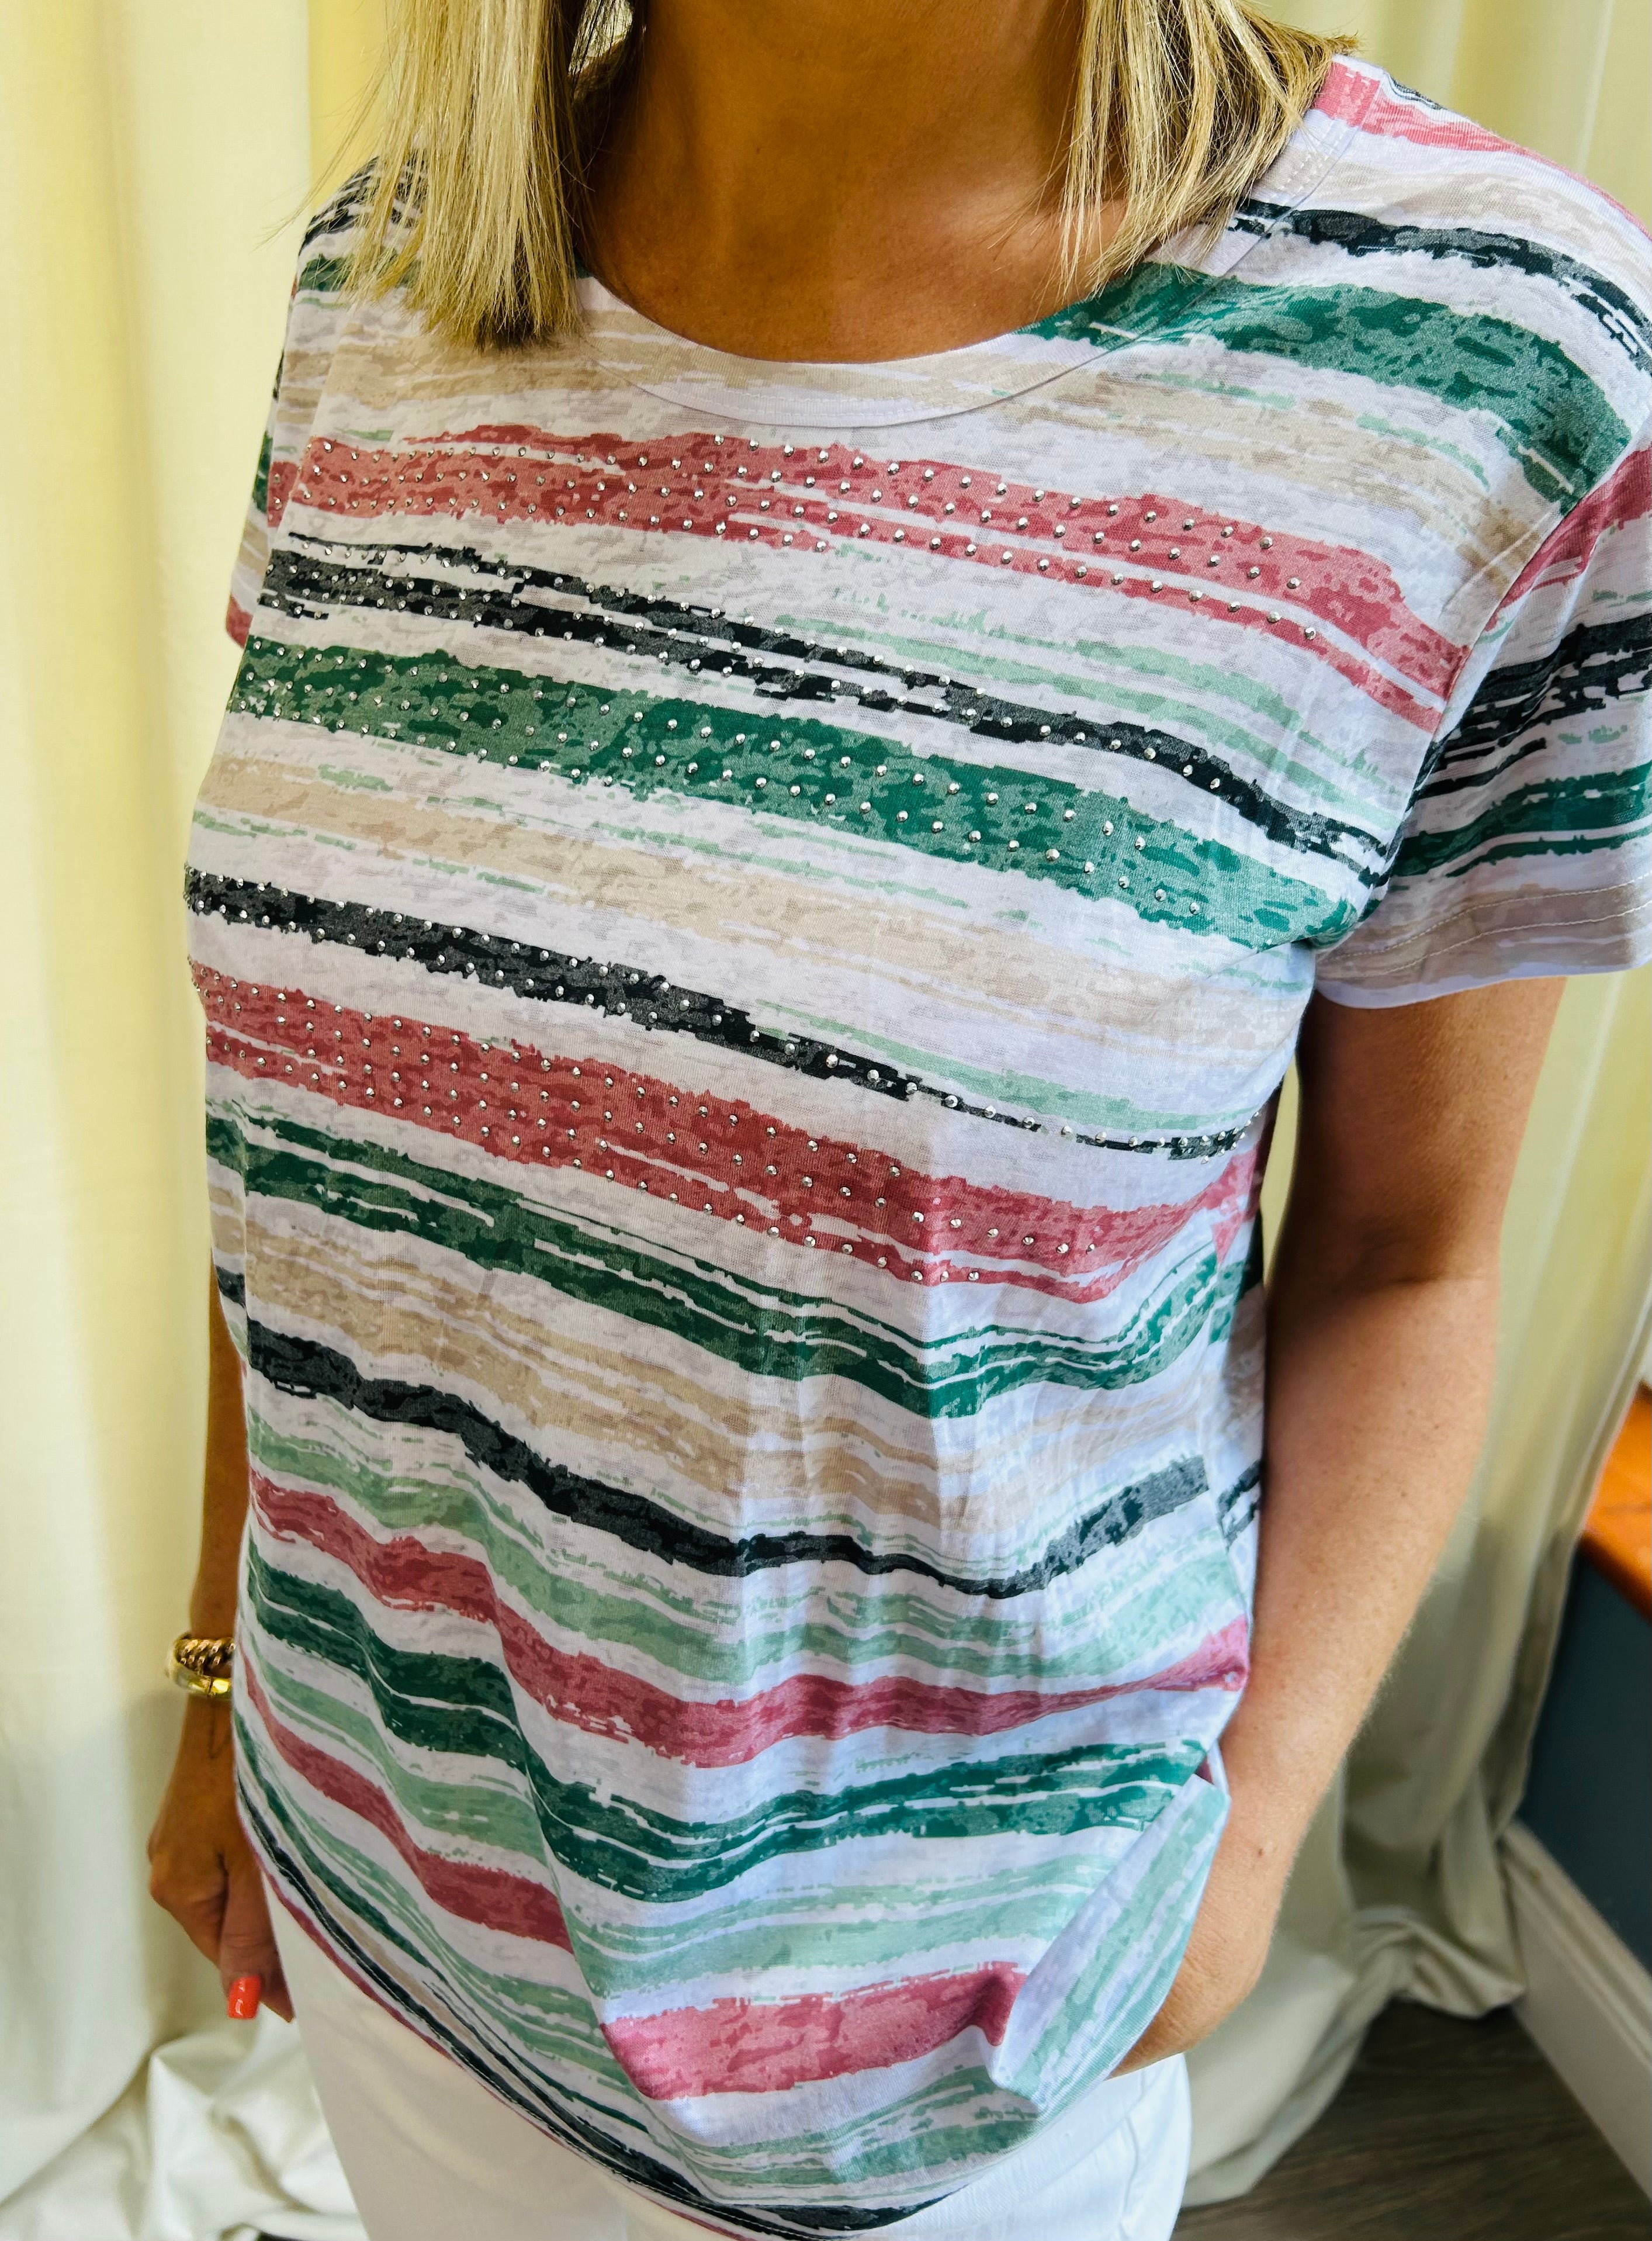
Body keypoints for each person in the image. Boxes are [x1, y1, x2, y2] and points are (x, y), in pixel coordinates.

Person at [147, 2, 1652, 2235]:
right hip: (385, 1903)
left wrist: (1243, 1845)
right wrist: (217, 1669)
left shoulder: (1487, 353)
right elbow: (310, 1137)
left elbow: (1404, 1247)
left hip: (942, 2044)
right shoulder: (393, 268)